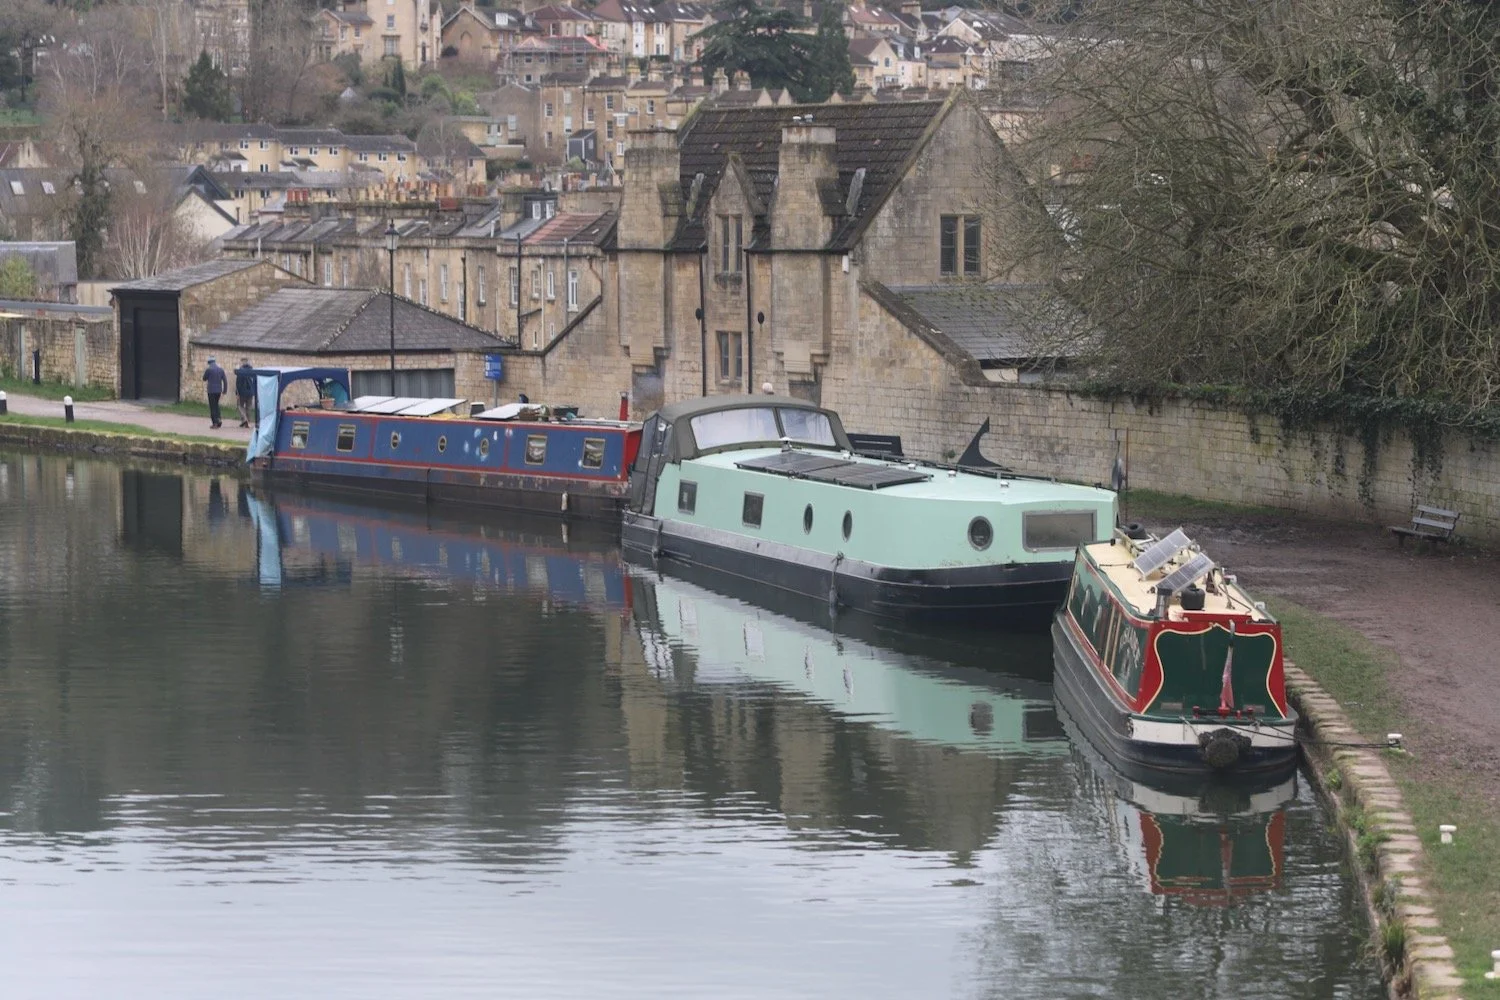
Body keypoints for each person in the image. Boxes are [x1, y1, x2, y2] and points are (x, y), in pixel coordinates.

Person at [202, 357, 227, 428]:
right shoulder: (221, 370)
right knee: (216, 405)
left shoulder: (209, 370)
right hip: (218, 390)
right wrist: (224, 391)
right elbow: (225, 381)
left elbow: (204, 378)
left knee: (212, 406)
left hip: (211, 391)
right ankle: (219, 419)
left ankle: (215, 423)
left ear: (209, 363)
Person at [234, 359, 256, 428]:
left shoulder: (240, 371)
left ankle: (244, 419)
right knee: (248, 407)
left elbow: (238, 383)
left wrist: (237, 393)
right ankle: (247, 422)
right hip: (251, 392)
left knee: (240, 406)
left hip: (242, 392)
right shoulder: (252, 371)